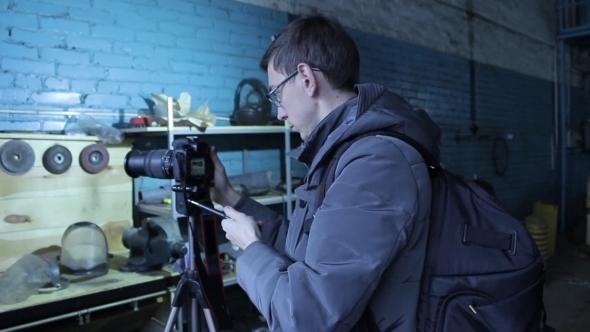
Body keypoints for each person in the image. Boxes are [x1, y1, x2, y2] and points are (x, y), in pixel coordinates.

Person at [209, 14, 442, 332]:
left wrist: (251, 250)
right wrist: (230, 197)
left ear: (305, 78)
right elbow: (313, 250)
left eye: (277, 94)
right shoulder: (344, 153)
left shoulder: (375, 163)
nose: (279, 112)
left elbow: (306, 317)